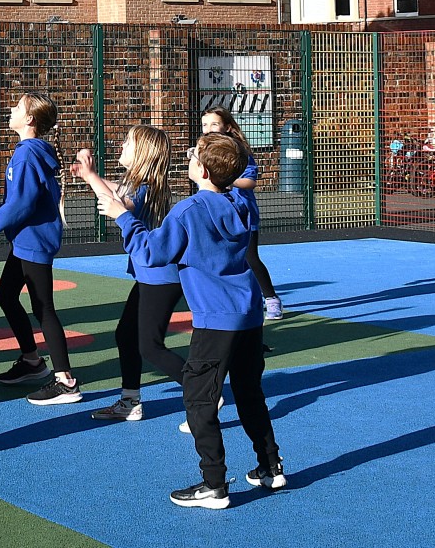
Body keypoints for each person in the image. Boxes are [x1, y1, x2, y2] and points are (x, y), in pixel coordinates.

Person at [96, 133, 286, 510]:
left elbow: (151, 253)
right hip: (248, 315)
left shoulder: (188, 211)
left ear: (199, 168)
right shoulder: (241, 202)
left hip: (216, 320)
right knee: (250, 394)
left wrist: (124, 218)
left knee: (199, 401)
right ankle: (270, 466)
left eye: (193, 154)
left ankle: (213, 484)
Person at [0, 94, 81, 405]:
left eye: (17, 107)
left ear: (30, 120)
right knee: (5, 295)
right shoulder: (29, 152)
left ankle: (66, 380)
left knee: (44, 308)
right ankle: (32, 361)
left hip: (33, 242)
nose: (11, 109)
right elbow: (22, 199)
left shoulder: (28, 154)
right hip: (25, 240)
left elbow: (22, 203)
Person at [71, 126, 183, 423]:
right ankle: (130, 401)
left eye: (128, 142)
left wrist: (91, 176)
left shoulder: (147, 187)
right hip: (151, 277)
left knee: (150, 346)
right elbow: (117, 192)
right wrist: (89, 174)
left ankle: (203, 389)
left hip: (161, 279)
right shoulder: (142, 183)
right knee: (126, 334)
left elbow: (120, 204)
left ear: (143, 153)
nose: (121, 145)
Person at [201, 107, 282, 319]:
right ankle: (231, 300)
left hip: (241, 212)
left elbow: (250, 182)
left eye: (214, 124)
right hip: (216, 212)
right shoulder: (204, 151)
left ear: (227, 127)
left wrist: (226, 178)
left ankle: (271, 299)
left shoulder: (239, 151)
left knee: (250, 257)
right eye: (205, 125)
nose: (209, 129)